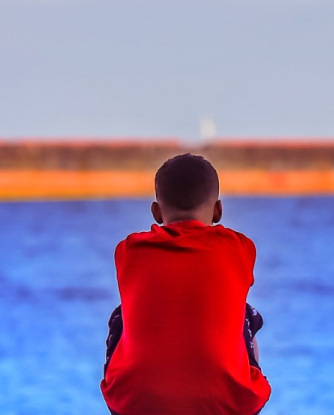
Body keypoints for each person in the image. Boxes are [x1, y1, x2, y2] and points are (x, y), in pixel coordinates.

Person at [101, 153, 272, 415]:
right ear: (218, 210)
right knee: (245, 314)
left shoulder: (128, 250)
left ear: (156, 212)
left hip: (135, 403)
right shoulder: (241, 247)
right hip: (229, 404)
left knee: (120, 316)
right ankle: (239, 385)